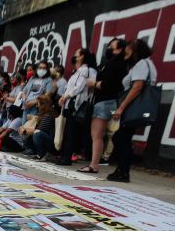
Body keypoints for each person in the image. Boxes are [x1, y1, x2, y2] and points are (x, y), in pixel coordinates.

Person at [108, 38, 158, 183]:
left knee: (121, 138)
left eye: (128, 50)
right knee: (123, 138)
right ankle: (121, 170)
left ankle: (123, 172)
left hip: (132, 106)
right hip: (135, 106)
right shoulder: (148, 64)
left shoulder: (141, 64)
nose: (125, 52)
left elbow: (137, 87)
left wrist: (121, 107)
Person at [79, 38, 129, 173]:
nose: (110, 50)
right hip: (108, 102)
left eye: (112, 47)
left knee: (97, 135)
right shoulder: (118, 64)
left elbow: (109, 85)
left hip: (104, 102)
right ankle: (94, 163)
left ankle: (94, 165)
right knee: (99, 135)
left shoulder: (115, 64)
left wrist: (94, 83)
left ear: (120, 49)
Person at [58, 49, 98, 165]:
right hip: (71, 103)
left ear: (82, 57)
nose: (74, 55)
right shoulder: (77, 71)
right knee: (69, 131)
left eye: (77, 54)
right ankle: (65, 155)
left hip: (78, 104)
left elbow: (79, 87)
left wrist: (66, 96)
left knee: (72, 132)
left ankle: (67, 157)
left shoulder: (86, 70)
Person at [23, 94, 56, 160]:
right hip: (45, 139)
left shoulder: (48, 115)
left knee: (37, 134)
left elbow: (39, 130)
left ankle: (41, 154)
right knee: (28, 134)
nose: (37, 106)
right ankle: (36, 151)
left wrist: (25, 131)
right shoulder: (43, 114)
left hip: (51, 143)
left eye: (38, 104)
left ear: (43, 105)